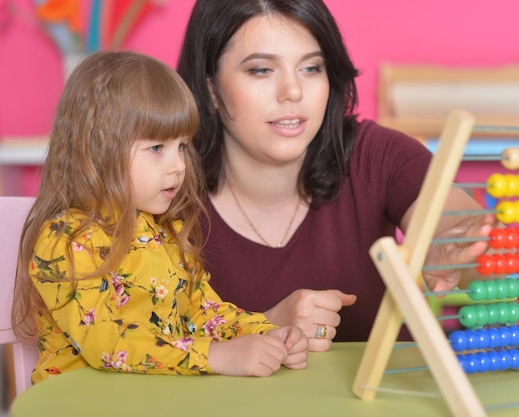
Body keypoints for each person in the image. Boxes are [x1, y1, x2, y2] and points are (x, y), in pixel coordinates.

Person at [176, 0, 497, 352]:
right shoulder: (162, 189)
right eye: (262, 70)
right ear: (210, 89)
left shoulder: (377, 155)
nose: (293, 92)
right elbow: (133, 342)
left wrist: (453, 248)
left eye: (311, 68)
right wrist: (262, 328)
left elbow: (459, 225)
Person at [11, 50, 308, 384]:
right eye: (157, 149)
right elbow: (108, 342)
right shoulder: (66, 239)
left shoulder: (164, 231)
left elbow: (203, 312)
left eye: (181, 146)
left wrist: (270, 335)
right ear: (96, 150)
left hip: (154, 396)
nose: (178, 165)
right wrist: (214, 355)